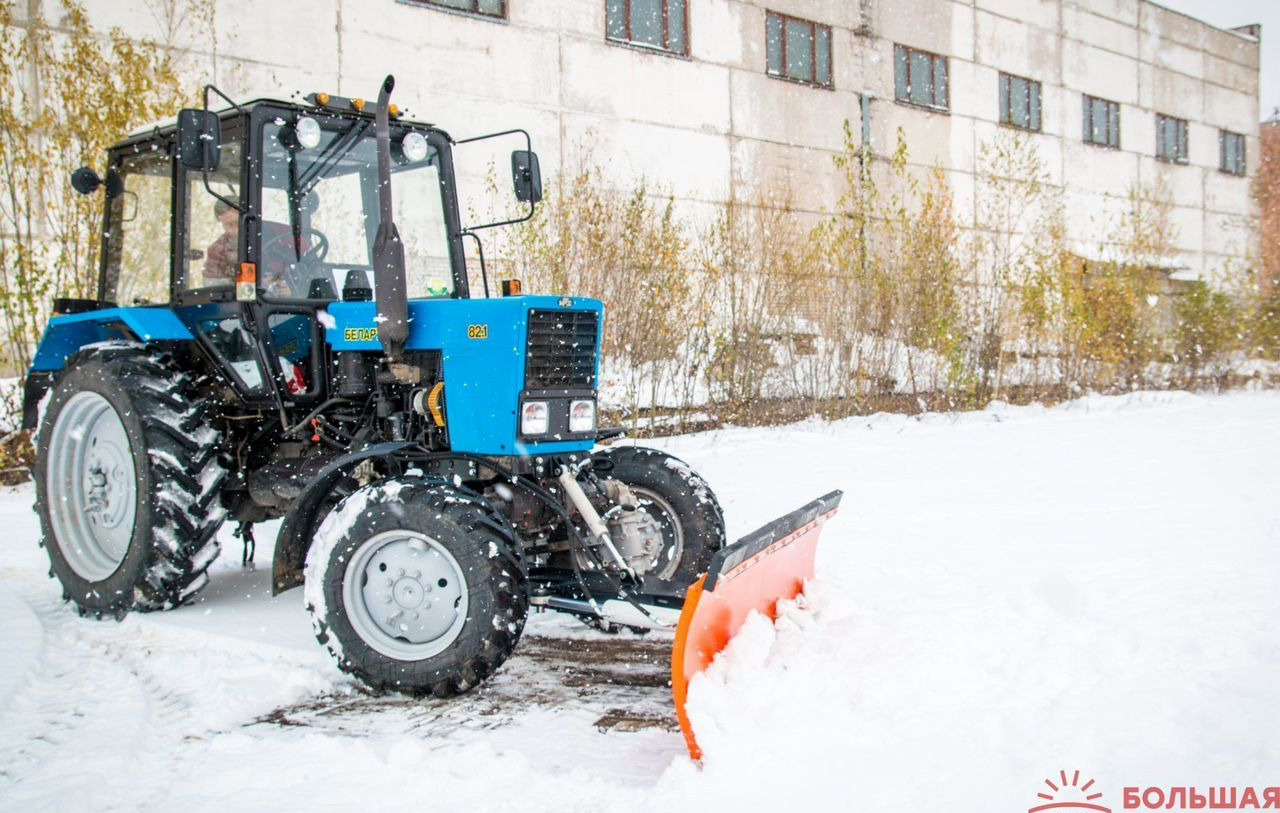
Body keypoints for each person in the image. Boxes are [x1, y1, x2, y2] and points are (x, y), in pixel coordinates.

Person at [203, 198, 240, 283]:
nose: (233, 230)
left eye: (238, 223)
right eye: (227, 225)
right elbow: (212, 284)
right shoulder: (217, 250)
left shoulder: (270, 239)